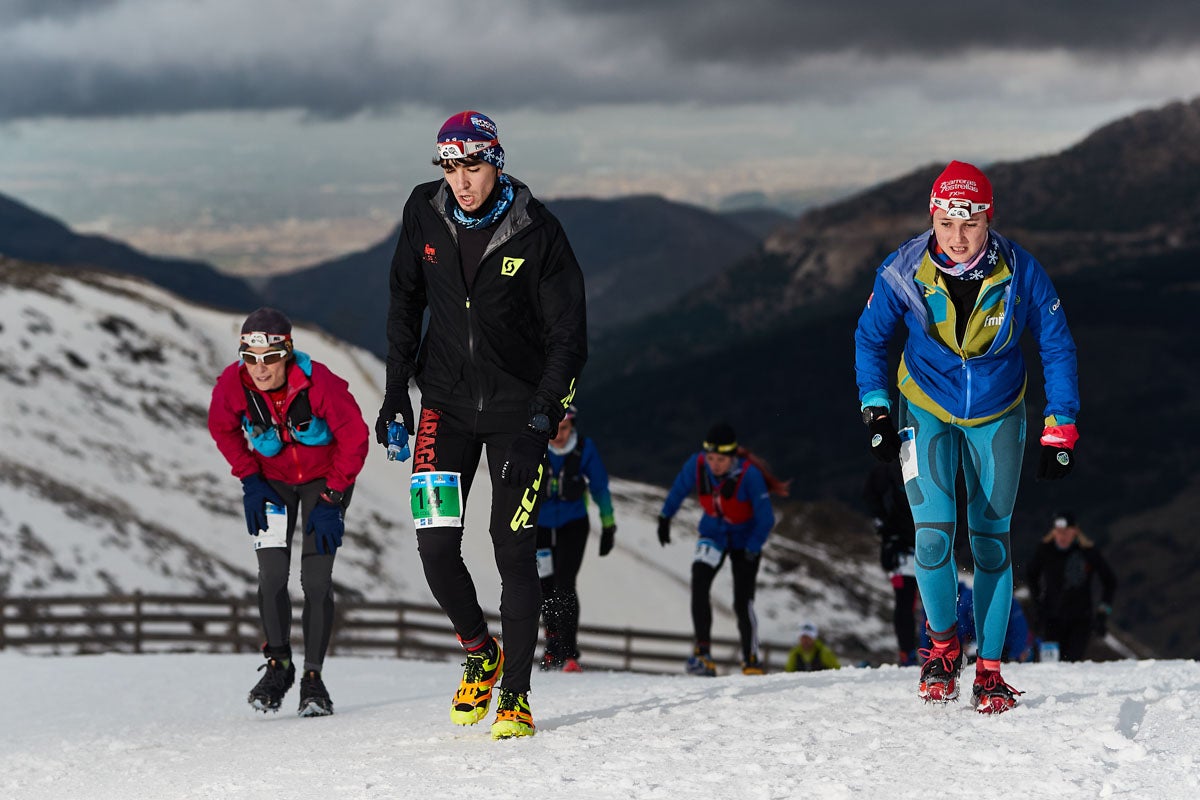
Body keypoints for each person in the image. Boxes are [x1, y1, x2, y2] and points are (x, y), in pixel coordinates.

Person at [376, 110, 587, 739]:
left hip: (516, 416)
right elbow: (404, 301)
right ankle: (479, 651)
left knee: (511, 549)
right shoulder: (424, 211)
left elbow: (569, 343)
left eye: (473, 166)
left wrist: (538, 425)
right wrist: (395, 392)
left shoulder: (539, 232)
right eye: (451, 167)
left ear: (496, 161)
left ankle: (516, 695)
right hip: (443, 403)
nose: (462, 181)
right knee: (435, 545)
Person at [853, 160, 1080, 714]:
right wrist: (877, 409)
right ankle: (941, 650)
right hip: (924, 406)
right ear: (933, 217)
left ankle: (991, 672)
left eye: (970, 224)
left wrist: (1061, 426)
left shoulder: (1023, 271)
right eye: (947, 224)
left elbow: (1057, 344)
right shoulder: (902, 270)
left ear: (988, 219)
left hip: (999, 411)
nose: (957, 238)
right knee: (930, 538)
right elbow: (869, 338)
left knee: (989, 542)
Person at [207, 307, 369, 716]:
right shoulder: (233, 385)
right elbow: (220, 426)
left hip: (323, 484)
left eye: (269, 359)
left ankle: (313, 680)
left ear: (288, 353)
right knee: (272, 574)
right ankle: (279, 665)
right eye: (250, 359)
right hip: (271, 482)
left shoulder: (320, 383)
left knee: (316, 581)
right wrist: (249, 478)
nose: (259, 370)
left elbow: (355, 436)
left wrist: (333, 497)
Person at [657, 422, 789, 676]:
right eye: (710, 458)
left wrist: (752, 548)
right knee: (699, 584)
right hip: (713, 534)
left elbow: (766, 519)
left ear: (732, 457)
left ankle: (751, 659)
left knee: (742, 601)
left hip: (745, 539)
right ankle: (703, 654)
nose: (714, 464)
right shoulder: (697, 465)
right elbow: (679, 489)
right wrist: (665, 517)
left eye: (720, 459)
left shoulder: (749, 475)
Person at [535, 405, 617, 672]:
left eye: (565, 428)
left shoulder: (584, 448)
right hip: (540, 526)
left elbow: (600, 487)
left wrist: (608, 526)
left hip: (574, 524)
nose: (559, 434)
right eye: (555, 428)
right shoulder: (535, 444)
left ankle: (569, 653)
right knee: (545, 586)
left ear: (573, 427)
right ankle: (552, 645)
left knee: (564, 584)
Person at [1026, 512, 1117, 662]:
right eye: (1059, 532)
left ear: (1075, 531)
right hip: (1051, 619)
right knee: (1049, 667)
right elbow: (1031, 575)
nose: (1062, 536)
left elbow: (1110, 582)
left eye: (1066, 532)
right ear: (1054, 532)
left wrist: (1102, 614)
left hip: (1080, 621)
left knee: (1071, 664)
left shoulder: (1088, 552)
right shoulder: (1045, 550)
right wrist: (1037, 606)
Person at [862, 460, 919, 665]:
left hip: (931, 542)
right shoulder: (893, 464)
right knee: (905, 603)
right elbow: (871, 493)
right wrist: (885, 527)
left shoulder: (937, 455)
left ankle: (939, 651)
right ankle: (908, 654)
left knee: (937, 601)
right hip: (901, 548)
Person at [918, 580, 1032, 663]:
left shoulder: (1007, 601)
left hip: (1002, 648)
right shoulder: (966, 600)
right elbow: (962, 628)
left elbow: (1019, 630)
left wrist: (1013, 655)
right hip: (979, 649)